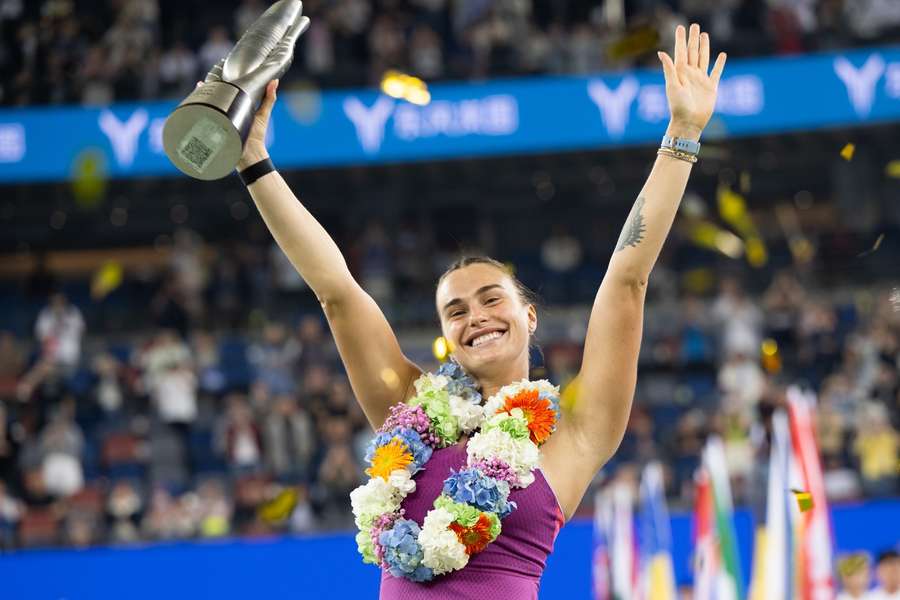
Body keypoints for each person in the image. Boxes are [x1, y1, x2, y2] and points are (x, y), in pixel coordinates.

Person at [232, 23, 726, 600]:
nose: (478, 317)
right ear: (445, 335)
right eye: (457, 310)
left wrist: (684, 132)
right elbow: (336, 292)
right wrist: (253, 160)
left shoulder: (578, 429)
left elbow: (627, 279)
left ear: (529, 315)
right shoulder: (408, 406)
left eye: (493, 298)